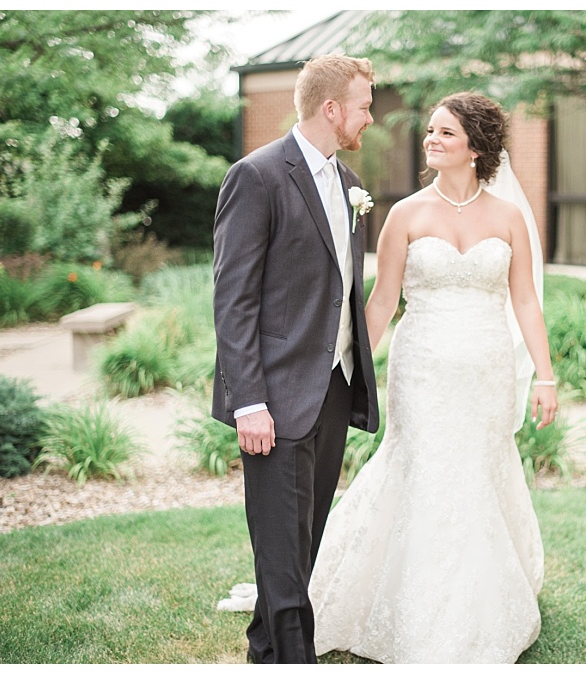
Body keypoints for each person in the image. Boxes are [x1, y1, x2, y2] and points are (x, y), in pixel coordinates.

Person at [220, 91, 559, 663]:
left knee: (477, 473)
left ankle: (480, 603)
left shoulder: (508, 218)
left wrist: (545, 377)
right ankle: (406, 602)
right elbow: (378, 304)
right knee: (423, 470)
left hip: (485, 369)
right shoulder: (403, 213)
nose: (430, 139)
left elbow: (524, 300)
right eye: (430, 130)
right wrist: (346, 373)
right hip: (420, 368)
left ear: (475, 148)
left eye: (445, 133)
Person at [211, 54, 380, 665]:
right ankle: (291, 657)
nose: (370, 116)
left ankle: (265, 648)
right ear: (332, 109)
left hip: (333, 384)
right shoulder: (256, 176)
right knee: (281, 541)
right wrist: (248, 401)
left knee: (304, 538)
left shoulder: (348, 182)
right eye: (364, 105)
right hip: (275, 395)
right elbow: (233, 300)